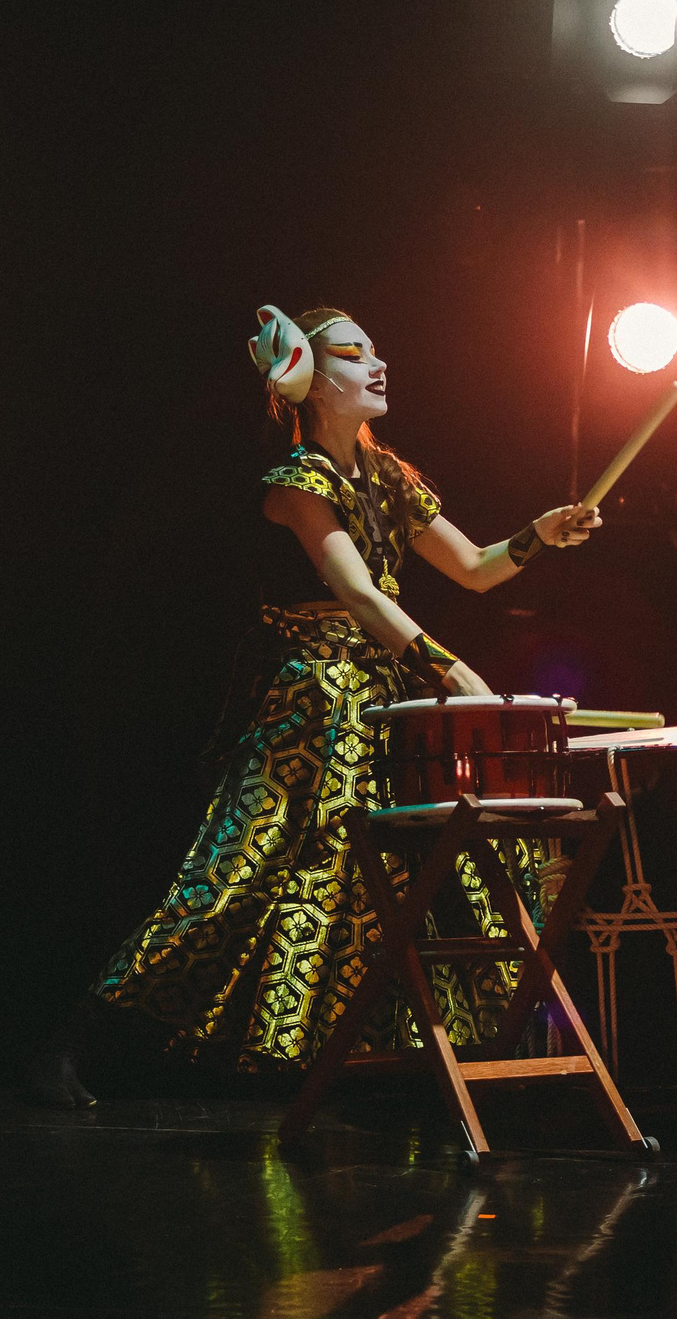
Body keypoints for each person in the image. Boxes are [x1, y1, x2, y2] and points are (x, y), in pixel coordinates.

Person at [31, 305, 601, 1103]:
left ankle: (380, 1069)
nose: (379, 363)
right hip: (312, 702)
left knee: (390, 885)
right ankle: (75, 1041)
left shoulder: (390, 477)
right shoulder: (296, 483)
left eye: (378, 347)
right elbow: (361, 595)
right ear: (311, 379)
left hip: (382, 701)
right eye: (355, 352)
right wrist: (450, 668)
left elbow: (474, 565)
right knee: (238, 878)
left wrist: (539, 533)